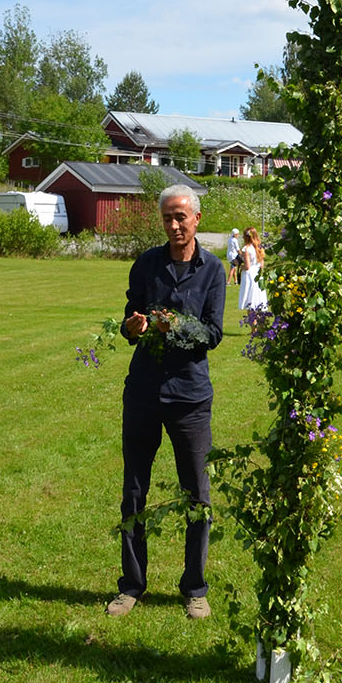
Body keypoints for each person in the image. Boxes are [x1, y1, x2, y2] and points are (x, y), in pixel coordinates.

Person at [106, 185, 226, 620]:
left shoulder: (213, 270)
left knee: (197, 493)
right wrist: (134, 327)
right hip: (143, 392)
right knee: (133, 490)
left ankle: (194, 587)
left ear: (196, 218)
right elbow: (128, 319)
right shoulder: (146, 265)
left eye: (181, 217)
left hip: (190, 398)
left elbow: (212, 334)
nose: (174, 226)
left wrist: (174, 326)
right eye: (168, 219)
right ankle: (132, 585)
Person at [237, 225, 267, 311]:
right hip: (258, 274)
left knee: (250, 303)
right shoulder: (259, 248)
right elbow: (262, 265)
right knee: (258, 302)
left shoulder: (246, 249)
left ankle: (252, 322)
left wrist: (240, 265)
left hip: (249, 276)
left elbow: (247, 266)